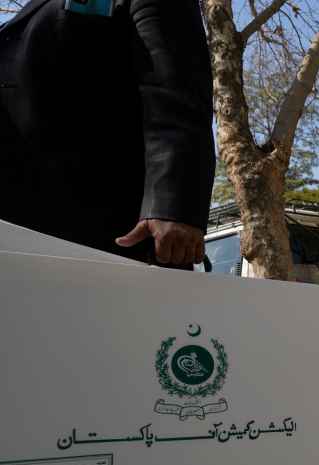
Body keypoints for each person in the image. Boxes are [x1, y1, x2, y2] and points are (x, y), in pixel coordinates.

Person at [0, 0, 215, 267]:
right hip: (17, 244)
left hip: (112, 244)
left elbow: (174, 85)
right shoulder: (19, 22)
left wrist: (173, 205)